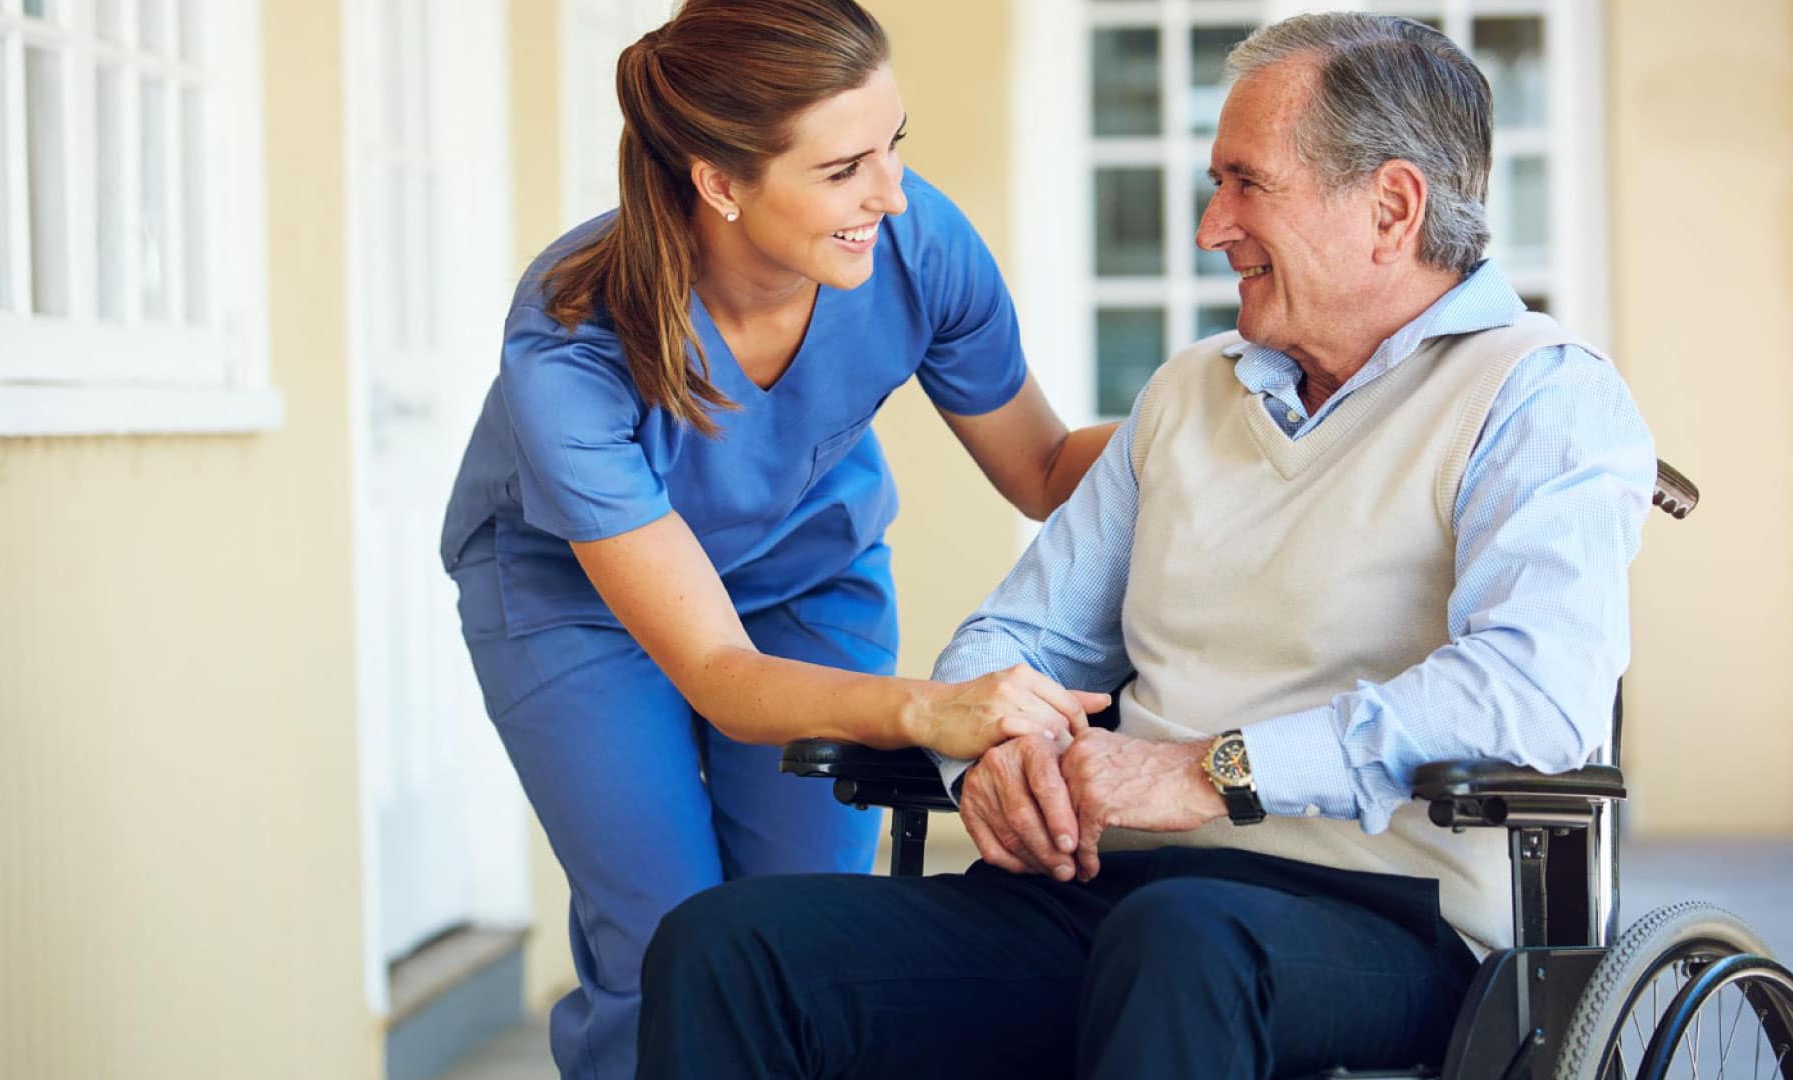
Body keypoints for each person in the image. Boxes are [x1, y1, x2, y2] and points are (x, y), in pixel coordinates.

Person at [636, 12, 1657, 1079]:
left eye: (1246, 183)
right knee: (726, 948)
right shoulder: (1187, 396)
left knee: (1181, 946)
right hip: (1115, 893)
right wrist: (994, 753)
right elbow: (1020, 632)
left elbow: (1530, 698)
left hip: (1386, 916)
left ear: (1391, 208)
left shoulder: (1540, 395)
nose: (1212, 227)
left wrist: (1210, 774)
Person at [438, 1, 1117, 1075]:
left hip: (806, 575)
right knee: (665, 938)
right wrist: (926, 710)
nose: (889, 195)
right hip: (575, 603)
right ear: (719, 181)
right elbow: (716, 669)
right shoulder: (573, 344)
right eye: (844, 167)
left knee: (803, 932)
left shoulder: (916, 244)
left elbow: (1041, 470)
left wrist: (1213, 426)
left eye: (892, 146)